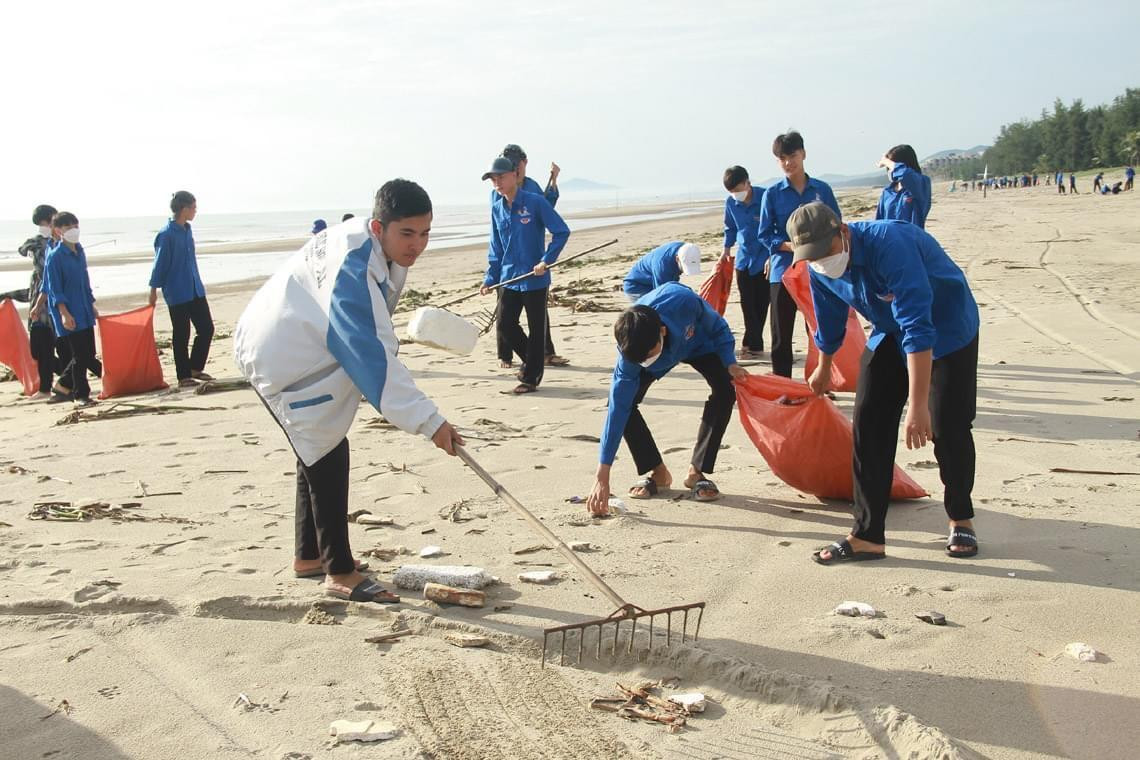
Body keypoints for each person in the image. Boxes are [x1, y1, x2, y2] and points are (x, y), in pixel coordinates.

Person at [233, 179, 464, 603]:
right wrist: (430, 422)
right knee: (324, 447)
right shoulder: (351, 268)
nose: (417, 245)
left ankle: (310, 555)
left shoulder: (371, 246)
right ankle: (338, 571)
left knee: (315, 445)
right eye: (407, 234)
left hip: (297, 333)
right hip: (280, 351)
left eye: (426, 233)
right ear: (379, 228)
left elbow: (372, 331)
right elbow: (372, 357)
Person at [784, 202, 981, 564]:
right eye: (811, 257)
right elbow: (828, 321)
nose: (822, 262)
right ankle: (867, 535)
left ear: (842, 232)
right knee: (869, 420)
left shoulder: (891, 245)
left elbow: (919, 327)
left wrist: (918, 407)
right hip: (890, 329)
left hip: (948, 326)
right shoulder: (819, 269)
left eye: (825, 251)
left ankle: (960, 518)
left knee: (947, 425)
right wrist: (824, 365)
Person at [585, 282, 749, 511]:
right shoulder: (632, 355)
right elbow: (617, 411)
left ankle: (697, 471)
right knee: (623, 404)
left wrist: (730, 363)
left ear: (662, 331)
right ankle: (658, 471)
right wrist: (602, 474)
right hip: (654, 351)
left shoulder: (684, 301)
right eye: (638, 359)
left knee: (724, 390)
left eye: (648, 355)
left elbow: (719, 328)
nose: (644, 362)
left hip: (698, 344)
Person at [480, 156, 570, 394]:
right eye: (492, 179)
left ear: (514, 175)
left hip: (535, 278)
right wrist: (490, 278)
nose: (497, 182)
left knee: (537, 328)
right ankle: (534, 361)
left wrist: (546, 260)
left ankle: (530, 378)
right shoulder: (497, 208)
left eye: (500, 177)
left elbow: (561, 231)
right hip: (510, 278)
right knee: (506, 325)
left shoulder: (535, 202)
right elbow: (495, 246)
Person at [757, 131, 842, 377]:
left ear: (803, 154)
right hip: (783, 271)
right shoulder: (772, 194)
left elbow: (836, 224)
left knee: (818, 327)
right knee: (781, 331)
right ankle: (783, 383)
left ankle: (820, 379)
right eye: (781, 158)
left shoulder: (822, 190)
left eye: (792, 156)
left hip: (818, 268)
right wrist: (788, 246)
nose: (787, 163)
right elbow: (764, 234)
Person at [148, 191, 214, 388]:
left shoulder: (187, 230)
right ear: (184, 209)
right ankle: (183, 375)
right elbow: (159, 264)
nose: (195, 211)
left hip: (195, 288)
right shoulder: (166, 235)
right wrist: (152, 290)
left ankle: (195, 367)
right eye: (193, 208)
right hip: (177, 291)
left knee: (206, 328)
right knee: (181, 333)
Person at [42, 212, 101, 406]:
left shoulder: (79, 251)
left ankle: (62, 386)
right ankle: (81, 394)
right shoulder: (55, 257)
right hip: (68, 311)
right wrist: (64, 314)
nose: (73, 231)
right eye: (68, 228)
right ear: (58, 231)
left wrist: (91, 304)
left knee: (88, 353)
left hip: (84, 307)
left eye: (75, 226)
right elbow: (55, 289)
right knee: (79, 354)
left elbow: (85, 281)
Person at [722, 165, 769, 359]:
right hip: (744, 259)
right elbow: (730, 227)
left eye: (737, 190)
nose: (735, 194)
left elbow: (777, 226)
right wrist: (726, 248)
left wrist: (773, 255)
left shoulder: (766, 197)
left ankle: (754, 344)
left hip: (765, 258)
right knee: (747, 303)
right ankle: (751, 345)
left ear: (747, 182)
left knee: (762, 303)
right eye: (731, 192)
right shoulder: (731, 203)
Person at [18, 205, 63, 399]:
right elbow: (23, 249)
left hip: (51, 306)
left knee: (47, 348)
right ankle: (71, 377)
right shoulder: (40, 243)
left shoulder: (54, 244)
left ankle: (47, 388)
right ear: (47, 220)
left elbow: (49, 275)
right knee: (38, 350)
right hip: (39, 306)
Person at [875, 145, 932, 228]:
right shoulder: (887, 192)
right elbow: (879, 223)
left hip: (911, 239)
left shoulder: (921, 185)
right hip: (889, 240)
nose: (890, 170)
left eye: (891, 166)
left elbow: (905, 174)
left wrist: (887, 161)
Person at [622, 241, 701, 300]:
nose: (683, 272)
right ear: (677, 259)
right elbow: (661, 295)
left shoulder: (687, 250)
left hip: (653, 282)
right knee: (653, 314)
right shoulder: (662, 266)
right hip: (637, 287)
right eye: (684, 268)